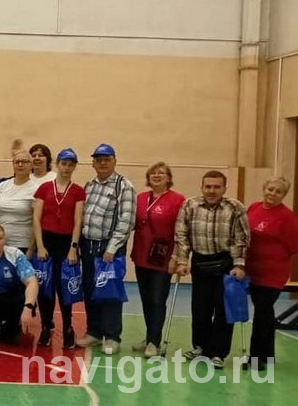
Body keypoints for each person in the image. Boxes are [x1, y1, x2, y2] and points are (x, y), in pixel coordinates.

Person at [174, 170, 249, 369]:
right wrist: (183, 261)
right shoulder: (189, 205)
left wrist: (239, 265)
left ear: (224, 188)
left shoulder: (235, 207)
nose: (212, 190)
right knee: (200, 309)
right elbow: (181, 235)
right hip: (200, 262)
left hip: (226, 263)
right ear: (202, 187)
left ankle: (218, 353)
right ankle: (200, 347)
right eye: (208, 186)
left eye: (216, 187)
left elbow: (241, 238)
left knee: (224, 310)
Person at [76, 144, 135, 354]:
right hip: (88, 245)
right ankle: (94, 331)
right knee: (90, 290)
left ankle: (112, 336)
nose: (102, 163)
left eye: (107, 159)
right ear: (93, 163)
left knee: (109, 292)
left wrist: (112, 248)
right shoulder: (89, 186)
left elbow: (127, 220)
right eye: (98, 159)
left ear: (114, 161)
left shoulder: (124, 186)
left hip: (109, 249)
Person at [129, 162, 185, 357]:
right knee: (146, 299)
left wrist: (176, 258)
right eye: (153, 173)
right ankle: (149, 337)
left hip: (163, 258)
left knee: (157, 299)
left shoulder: (178, 200)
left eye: (161, 173)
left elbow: (180, 232)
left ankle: (155, 341)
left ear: (168, 178)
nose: (157, 175)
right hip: (142, 255)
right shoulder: (140, 198)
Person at [32, 148, 86, 348]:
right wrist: (40, 246)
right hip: (46, 242)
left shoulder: (78, 191)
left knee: (65, 289)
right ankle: (46, 326)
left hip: (66, 244)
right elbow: (36, 219)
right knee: (45, 288)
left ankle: (68, 328)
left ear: (74, 167)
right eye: (64, 164)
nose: (66, 168)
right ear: (57, 164)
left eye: (71, 165)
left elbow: (78, 221)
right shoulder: (44, 188)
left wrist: (73, 248)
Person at [245, 177, 298, 370]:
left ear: (284, 195)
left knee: (262, 313)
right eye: (270, 189)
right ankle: (268, 356)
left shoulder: (287, 217)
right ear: (264, 189)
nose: (273, 194)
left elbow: (294, 246)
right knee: (265, 313)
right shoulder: (253, 208)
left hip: (272, 274)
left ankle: (256, 358)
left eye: (278, 191)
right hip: (252, 270)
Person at [0, 150, 37, 252]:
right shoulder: (2, 186)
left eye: (24, 161)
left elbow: (37, 222)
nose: (20, 165)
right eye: (17, 162)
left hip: (23, 245)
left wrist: (31, 250)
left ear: (31, 165)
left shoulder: (36, 189)